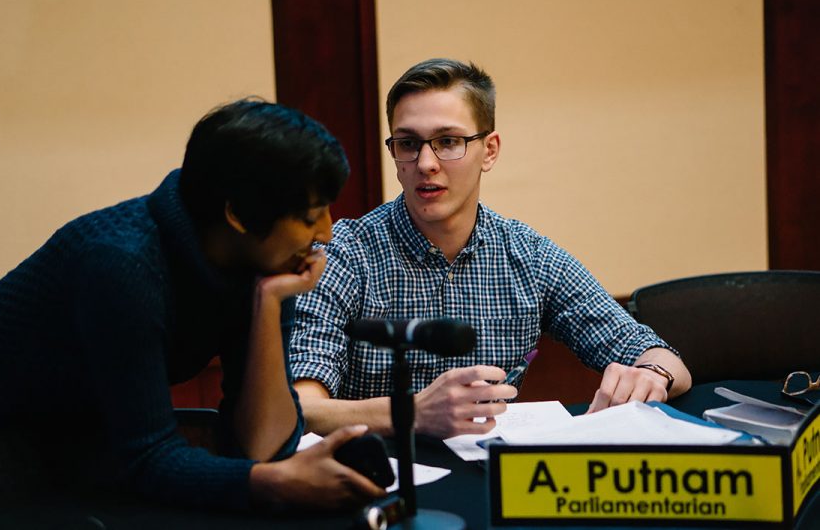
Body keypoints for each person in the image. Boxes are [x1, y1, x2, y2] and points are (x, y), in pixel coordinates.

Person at [0, 99, 385, 510]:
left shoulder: (261, 263)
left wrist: (266, 304)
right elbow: (147, 457)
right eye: (309, 217)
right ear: (238, 215)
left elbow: (264, 446)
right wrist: (273, 482)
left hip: (79, 435)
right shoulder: (121, 262)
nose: (326, 232)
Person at [289, 58, 692, 439]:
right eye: (408, 144)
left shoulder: (527, 255)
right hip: (377, 483)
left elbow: (664, 359)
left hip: (488, 479)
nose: (426, 163)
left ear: (491, 150)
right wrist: (411, 412)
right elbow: (300, 407)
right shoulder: (344, 253)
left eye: (448, 141)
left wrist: (653, 372)